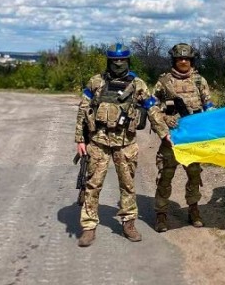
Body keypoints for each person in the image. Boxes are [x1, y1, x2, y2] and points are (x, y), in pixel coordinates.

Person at [74, 43, 155, 247]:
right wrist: (80, 139)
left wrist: (166, 134)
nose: (118, 64)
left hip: (125, 143)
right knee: (92, 184)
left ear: (128, 61)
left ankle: (128, 223)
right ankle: (89, 227)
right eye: (114, 61)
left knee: (127, 185)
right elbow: (83, 110)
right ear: (109, 61)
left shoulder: (138, 84)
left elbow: (152, 109)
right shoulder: (96, 82)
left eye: (122, 60)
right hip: (98, 141)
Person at [147, 43, 214, 231]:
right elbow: (152, 109)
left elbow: (208, 106)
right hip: (171, 138)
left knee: (194, 175)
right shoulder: (164, 82)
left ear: (192, 60)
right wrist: (164, 123)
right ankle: (161, 214)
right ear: (174, 60)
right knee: (165, 177)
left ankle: (194, 209)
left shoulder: (199, 81)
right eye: (179, 58)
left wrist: (215, 122)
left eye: (187, 58)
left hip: (193, 139)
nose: (183, 61)